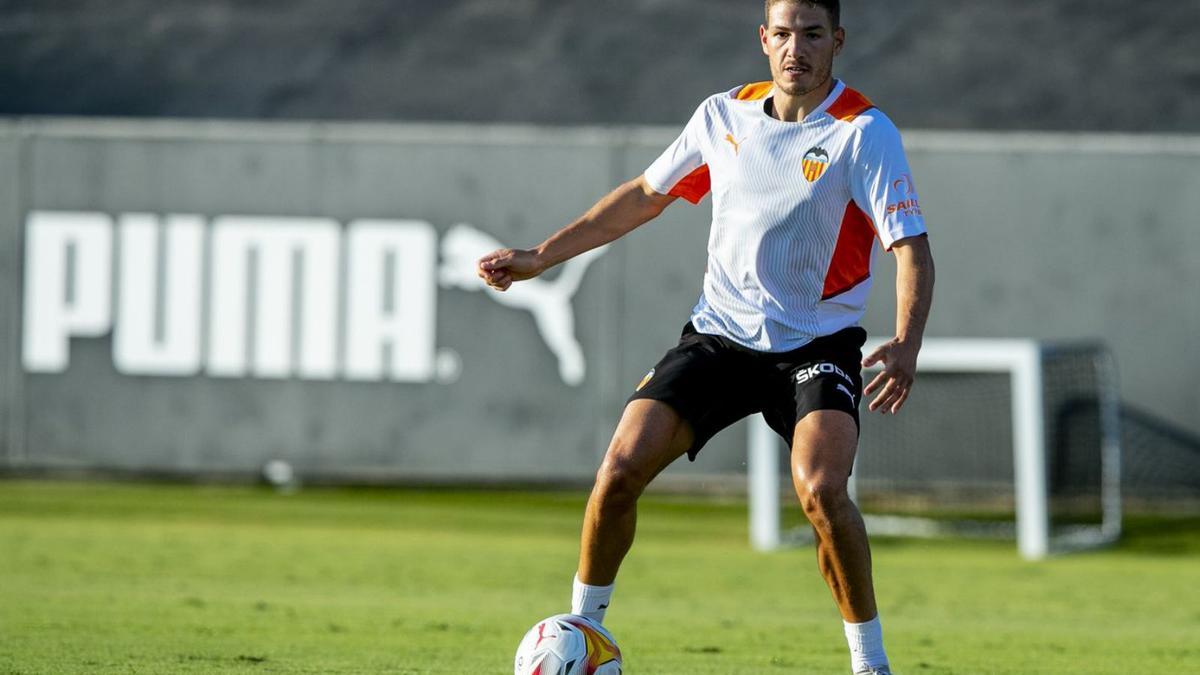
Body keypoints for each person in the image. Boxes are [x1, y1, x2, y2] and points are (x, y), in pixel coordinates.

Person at [478, 1, 934, 672]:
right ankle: (581, 637)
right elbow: (644, 194)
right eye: (782, 34)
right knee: (619, 468)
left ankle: (870, 663)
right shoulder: (723, 116)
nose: (795, 49)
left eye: (812, 34)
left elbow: (911, 248)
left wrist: (906, 341)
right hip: (718, 339)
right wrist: (542, 256)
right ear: (763, 40)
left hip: (816, 346)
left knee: (822, 490)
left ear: (836, 41)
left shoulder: (863, 132)